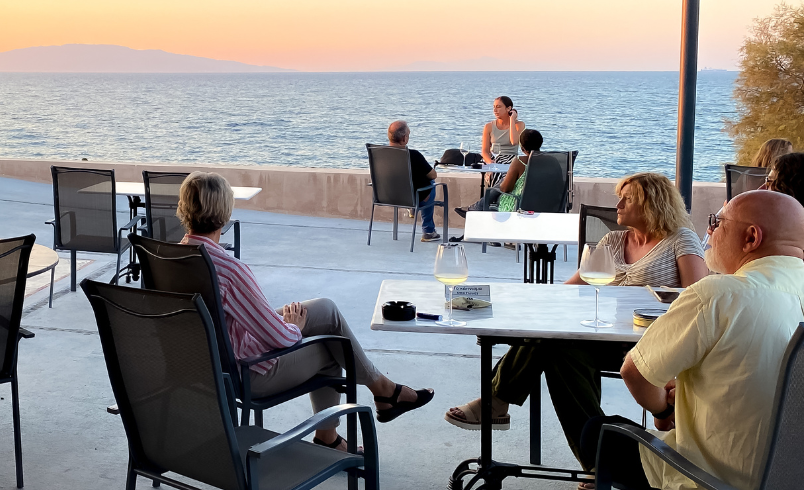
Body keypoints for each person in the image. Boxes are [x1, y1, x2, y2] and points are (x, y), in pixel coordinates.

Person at [582, 190, 804, 490]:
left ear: (751, 237)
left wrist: (665, 409)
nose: (708, 232)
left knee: (602, 435)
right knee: (713, 440)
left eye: (716, 223)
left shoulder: (719, 295)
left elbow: (635, 373)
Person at [445, 174, 707, 487]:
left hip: (653, 347)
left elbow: (699, 299)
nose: (618, 205)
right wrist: (523, 302)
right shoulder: (612, 242)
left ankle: (496, 401)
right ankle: (599, 464)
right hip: (606, 340)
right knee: (554, 342)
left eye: (627, 199)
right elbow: (570, 290)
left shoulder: (680, 240)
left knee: (554, 346)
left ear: (652, 204)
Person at [177, 172, 435, 451]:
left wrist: (285, 323)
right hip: (245, 374)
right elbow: (282, 339)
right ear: (225, 213)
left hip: (202, 366)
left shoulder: (171, 257)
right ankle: (351, 420)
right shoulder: (228, 270)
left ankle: (381, 393)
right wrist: (294, 327)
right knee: (332, 346)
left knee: (325, 309)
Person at [455, 128, 543, 216]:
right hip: (541, 204)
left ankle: (475, 208)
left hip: (518, 205)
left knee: (497, 188)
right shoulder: (549, 161)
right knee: (503, 180)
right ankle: (476, 207)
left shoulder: (520, 161)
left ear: (522, 148)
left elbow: (505, 189)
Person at [386, 120, 439, 241]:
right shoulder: (413, 155)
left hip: (388, 196)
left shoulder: (380, 155)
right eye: (408, 135)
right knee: (431, 184)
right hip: (412, 197)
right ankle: (428, 231)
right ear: (404, 138)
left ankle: (412, 207)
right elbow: (433, 175)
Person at [482, 96, 524, 167]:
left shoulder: (519, 125)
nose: (495, 110)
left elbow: (514, 142)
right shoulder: (488, 126)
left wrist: (512, 119)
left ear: (508, 108)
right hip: (493, 159)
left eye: (498, 107)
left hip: (511, 160)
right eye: (494, 107)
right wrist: (490, 162)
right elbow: (485, 151)